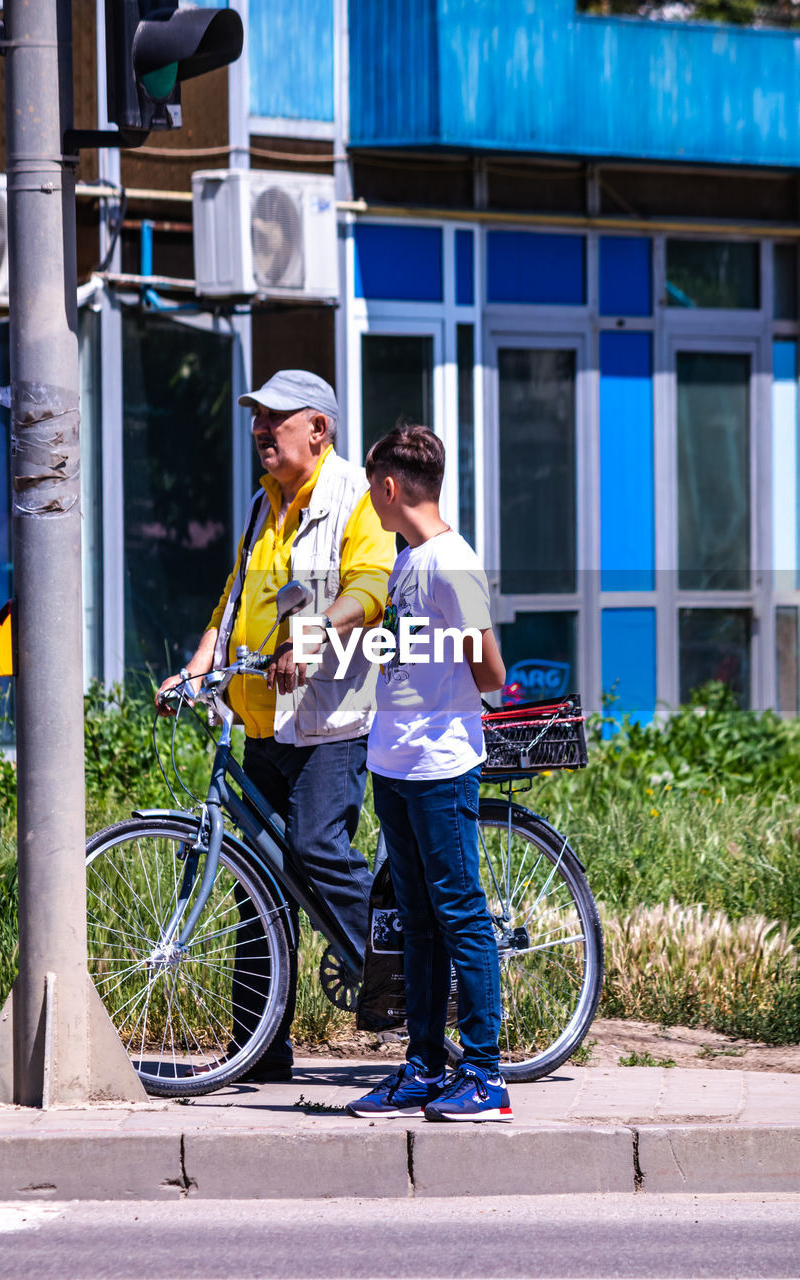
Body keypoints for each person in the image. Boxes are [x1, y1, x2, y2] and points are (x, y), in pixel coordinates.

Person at [156, 370, 393, 1081]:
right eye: (256, 417)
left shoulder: (355, 496)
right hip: (262, 720)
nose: (261, 429)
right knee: (254, 883)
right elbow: (234, 603)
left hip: (328, 718)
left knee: (317, 850)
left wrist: (313, 635)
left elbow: (370, 589)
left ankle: (409, 986)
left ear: (317, 429)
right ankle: (259, 1048)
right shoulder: (266, 506)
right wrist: (196, 669)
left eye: (276, 419)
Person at [346, 423, 511, 1121]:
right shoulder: (407, 560)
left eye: (371, 490)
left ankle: (484, 1073)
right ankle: (421, 1065)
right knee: (415, 921)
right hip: (395, 761)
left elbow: (492, 674)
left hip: (441, 764)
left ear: (388, 487)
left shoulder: (451, 560)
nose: (371, 503)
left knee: (459, 914)